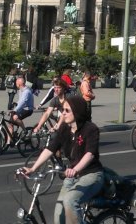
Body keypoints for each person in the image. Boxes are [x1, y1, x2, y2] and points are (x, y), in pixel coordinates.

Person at [23, 95, 104, 224]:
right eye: (62, 110)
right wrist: (33, 168)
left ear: (77, 111)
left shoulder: (90, 129)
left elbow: (90, 154)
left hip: (91, 175)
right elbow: (50, 149)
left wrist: (75, 169)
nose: (63, 113)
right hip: (72, 177)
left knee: (70, 200)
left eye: (67, 111)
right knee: (59, 213)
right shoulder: (65, 129)